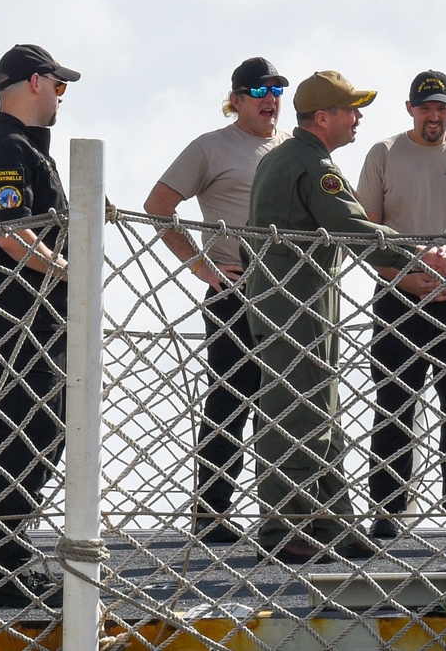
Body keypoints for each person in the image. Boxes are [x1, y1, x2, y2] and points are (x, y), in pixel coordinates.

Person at [244, 70, 446, 564]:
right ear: (324, 118)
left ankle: (328, 520)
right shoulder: (314, 165)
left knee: (311, 408)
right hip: (295, 307)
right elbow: (353, 226)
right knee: (299, 411)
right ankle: (289, 528)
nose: (359, 118)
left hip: (287, 302)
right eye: (350, 110)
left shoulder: (281, 157)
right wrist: (420, 255)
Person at [144, 57, 290, 545]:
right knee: (230, 400)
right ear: (237, 99)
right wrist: (202, 267)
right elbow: (158, 206)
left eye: (277, 89)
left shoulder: (292, 148)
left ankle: (287, 513)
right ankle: (212, 512)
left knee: (290, 403)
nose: (271, 98)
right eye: (260, 90)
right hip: (235, 291)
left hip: (291, 297)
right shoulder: (211, 147)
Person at [357, 70, 446, 539]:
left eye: (442, 107)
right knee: (394, 403)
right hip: (398, 297)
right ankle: (387, 510)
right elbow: (365, 234)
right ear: (410, 110)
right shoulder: (383, 154)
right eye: (426, 108)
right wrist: (406, 275)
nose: (434, 115)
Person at [0, 44, 81, 608]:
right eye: (59, 86)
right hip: (16, 320)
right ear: (36, 82)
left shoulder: (28, 149)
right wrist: (72, 269)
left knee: (42, 434)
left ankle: (7, 560)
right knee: (20, 437)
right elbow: (11, 232)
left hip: (38, 319)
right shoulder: (9, 148)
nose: (62, 98)